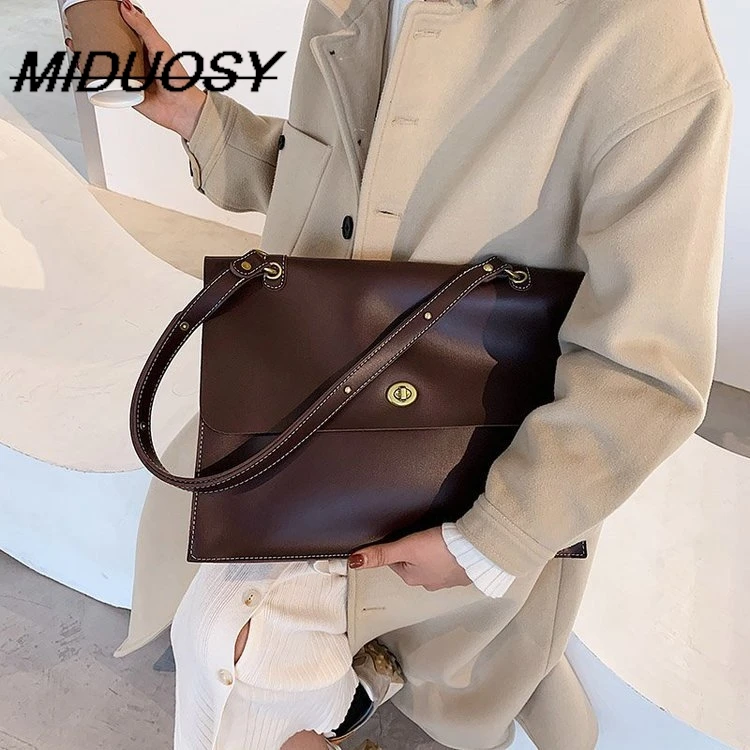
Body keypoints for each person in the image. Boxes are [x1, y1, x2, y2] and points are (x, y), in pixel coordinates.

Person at [113, 1, 734, 749]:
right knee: (224, 643)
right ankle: (355, 692)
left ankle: (375, 682)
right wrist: (199, 118)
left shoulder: (640, 33)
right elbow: (345, 191)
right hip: (308, 415)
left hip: (459, 471)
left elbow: (648, 362)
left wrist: (492, 540)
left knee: (244, 657)